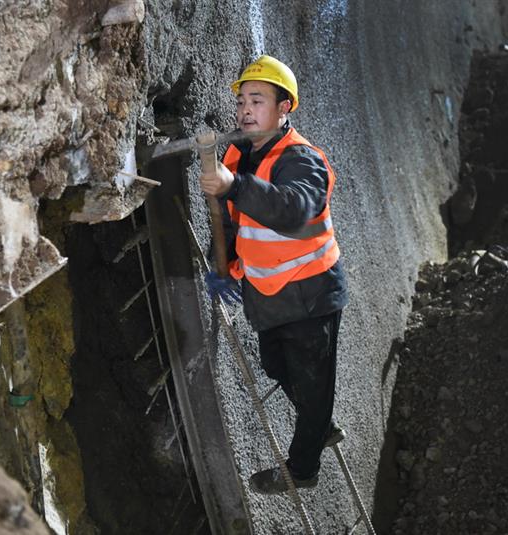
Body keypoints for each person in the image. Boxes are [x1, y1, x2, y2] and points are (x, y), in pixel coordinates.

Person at [199, 55, 349, 494]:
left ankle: (303, 469)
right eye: (243, 100)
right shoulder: (237, 153)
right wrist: (221, 266)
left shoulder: (303, 160)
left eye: (258, 100)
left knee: (314, 385)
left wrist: (235, 186)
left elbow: (293, 210)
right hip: (268, 293)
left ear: (284, 109)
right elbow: (228, 220)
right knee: (275, 365)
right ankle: (317, 424)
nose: (245, 110)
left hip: (311, 293)